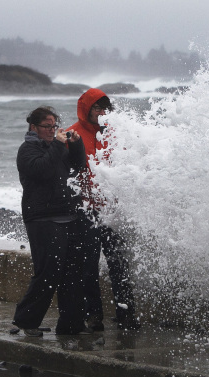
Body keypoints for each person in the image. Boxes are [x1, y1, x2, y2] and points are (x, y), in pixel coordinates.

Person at [12, 106, 92, 336]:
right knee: (48, 271)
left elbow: (77, 167)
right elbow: (42, 171)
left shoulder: (57, 149)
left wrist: (76, 144)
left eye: (54, 126)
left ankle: (71, 324)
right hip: (42, 218)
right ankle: (26, 321)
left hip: (68, 214)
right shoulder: (27, 149)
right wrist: (58, 144)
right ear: (34, 127)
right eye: (47, 126)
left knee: (73, 271)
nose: (51, 130)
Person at [69, 88, 140, 331]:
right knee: (88, 266)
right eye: (96, 108)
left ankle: (127, 314)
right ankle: (94, 315)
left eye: (104, 108)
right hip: (86, 211)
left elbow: (127, 166)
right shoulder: (72, 135)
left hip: (111, 211)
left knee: (119, 263)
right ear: (86, 109)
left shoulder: (113, 134)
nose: (101, 112)